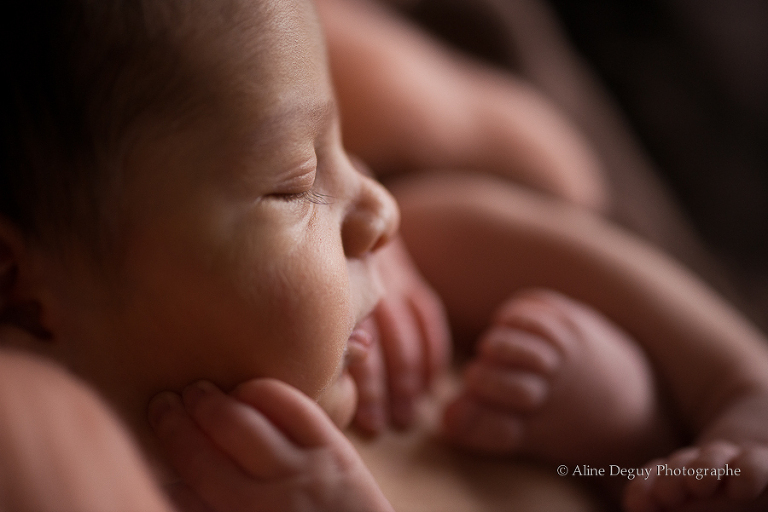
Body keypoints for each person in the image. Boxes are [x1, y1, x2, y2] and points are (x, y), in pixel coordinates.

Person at [0, 2, 766, 512]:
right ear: (26, 297)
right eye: (293, 185)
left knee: (456, 218)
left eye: (345, 148)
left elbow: (529, 226)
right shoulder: (78, 477)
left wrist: (730, 395)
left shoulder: (398, 303)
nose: (376, 205)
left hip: (655, 467)